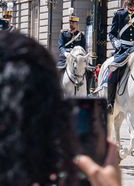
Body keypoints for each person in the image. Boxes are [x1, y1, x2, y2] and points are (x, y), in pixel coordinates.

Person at [0, 30, 121, 186]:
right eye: (72, 23)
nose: (74, 25)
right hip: (68, 58)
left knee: (87, 71)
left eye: (75, 23)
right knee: (62, 70)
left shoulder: (81, 35)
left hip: (105, 53)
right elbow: (62, 47)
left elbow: (83, 46)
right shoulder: (64, 34)